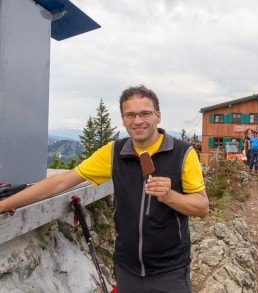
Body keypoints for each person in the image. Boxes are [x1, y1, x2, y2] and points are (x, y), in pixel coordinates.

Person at [0, 85, 209, 293]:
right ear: (123, 119)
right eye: (130, 115)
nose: (138, 121)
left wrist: (170, 196)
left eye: (145, 113)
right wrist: (5, 204)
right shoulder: (114, 153)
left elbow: (202, 207)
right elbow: (61, 182)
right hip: (127, 268)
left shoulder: (183, 153)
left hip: (170, 271)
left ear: (158, 116)